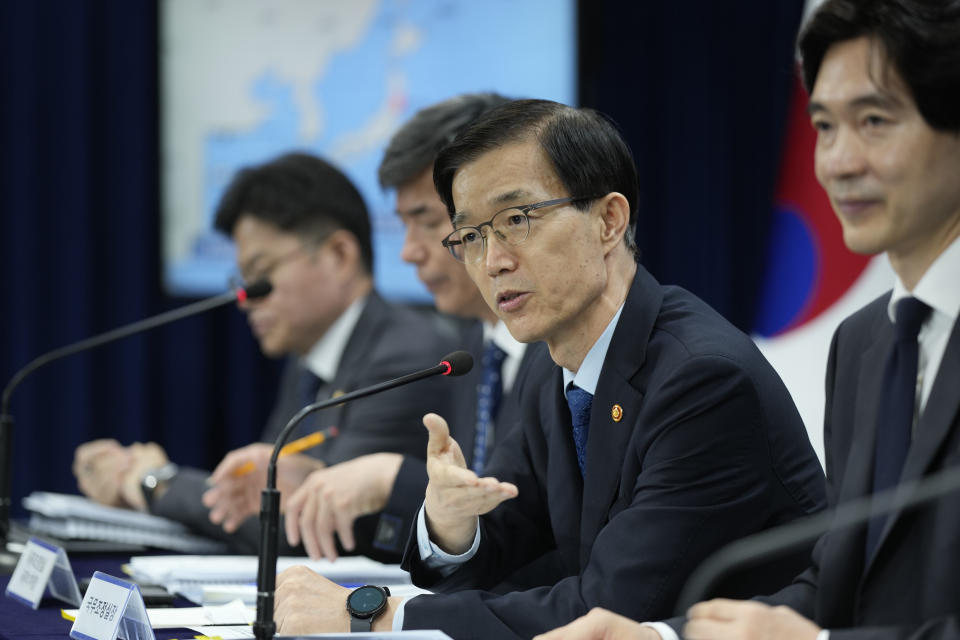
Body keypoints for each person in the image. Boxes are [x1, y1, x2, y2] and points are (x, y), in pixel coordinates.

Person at [270, 99, 827, 638]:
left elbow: (608, 610)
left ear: (609, 220)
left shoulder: (703, 379)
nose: (494, 262)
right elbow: (506, 550)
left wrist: (377, 615)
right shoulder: (551, 360)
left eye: (516, 219)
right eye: (472, 236)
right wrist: (449, 522)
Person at [534, 1, 960, 638]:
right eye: (824, 126)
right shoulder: (866, 341)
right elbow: (842, 577)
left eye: (874, 120)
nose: (838, 162)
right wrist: (663, 636)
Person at [72, 152, 459, 560]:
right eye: (241, 280)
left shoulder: (405, 356)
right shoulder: (311, 358)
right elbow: (259, 494)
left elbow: (302, 527)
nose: (244, 299)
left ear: (339, 255)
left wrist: (152, 482)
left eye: (260, 274)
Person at [278, 94, 559, 576]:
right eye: (404, 226)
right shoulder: (472, 351)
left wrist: (394, 478)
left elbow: (541, 540)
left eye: (428, 222)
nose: (409, 253)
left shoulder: (562, 352)